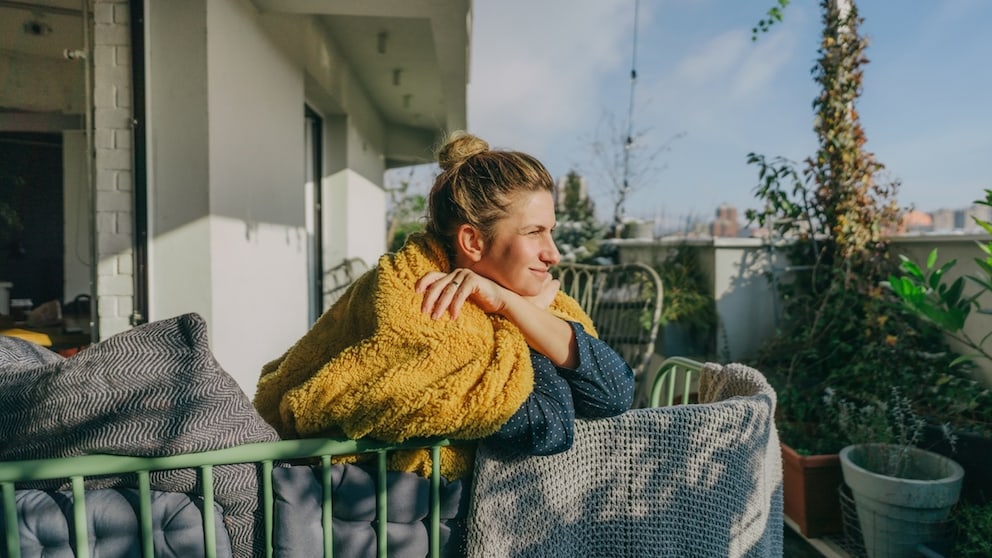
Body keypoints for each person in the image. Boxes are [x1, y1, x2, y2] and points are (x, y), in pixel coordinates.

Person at [253, 131, 634, 480]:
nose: (552, 254)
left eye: (551, 231)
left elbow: (614, 394)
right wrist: (524, 316)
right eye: (534, 232)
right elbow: (549, 426)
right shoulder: (422, 301)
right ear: (473, 242)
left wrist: (513, 306)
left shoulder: (516, 295)